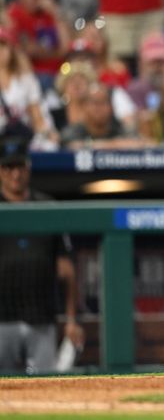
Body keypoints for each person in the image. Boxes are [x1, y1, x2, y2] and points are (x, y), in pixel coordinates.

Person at [0, 138, 84, 373]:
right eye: (8, 168)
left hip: (41, 316)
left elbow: (67, 270)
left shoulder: (47, 206)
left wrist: (71, 319)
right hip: (1, 317)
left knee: (47, 385)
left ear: (28, 168)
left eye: (19, 167)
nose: (15, 174)